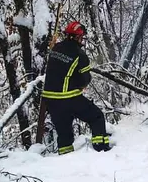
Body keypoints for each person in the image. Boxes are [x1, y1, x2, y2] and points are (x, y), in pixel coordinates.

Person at [42, 21, 111, 154]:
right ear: (77, 37)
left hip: (50, 100)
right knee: (96, 116)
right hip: (68, 98)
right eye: (81, 37)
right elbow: (85, 79)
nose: (82, 40)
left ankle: (66, 159)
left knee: (65, 135)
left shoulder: (55, 49)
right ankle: (100, 148)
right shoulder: (80, 54)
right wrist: (79, 86)